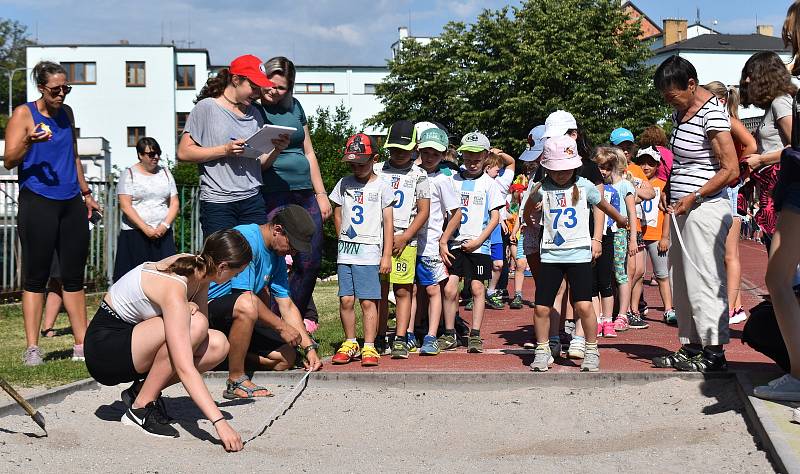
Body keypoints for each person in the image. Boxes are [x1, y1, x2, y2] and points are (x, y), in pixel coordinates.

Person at [84, 230, 251, 449]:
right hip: (105, 349)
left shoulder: (201, 270)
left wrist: (185, 310)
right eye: (235, 273)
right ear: (222, 267)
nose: (235, 278)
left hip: (132, 339)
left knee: (218, 345)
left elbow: (198, 337)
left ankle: (141, 392)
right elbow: (184, 366)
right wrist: (219, 422)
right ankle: (140, 409)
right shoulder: (175, 285)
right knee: (196, 325)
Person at [4, 61, 101, 365]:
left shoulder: (67, 114)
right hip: (38, 201)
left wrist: (86, 193)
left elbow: (72, 155)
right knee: (36, 276)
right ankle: (33, 347)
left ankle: (81, 344)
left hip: (70, 200)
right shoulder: (23, 114)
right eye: (56, 89)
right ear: (42, 88)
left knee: (73, 275)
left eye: (66, 89)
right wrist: (28, 141)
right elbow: (9, 160)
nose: (62, 94)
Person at [651, 55, 739, 372]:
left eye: (671, 94)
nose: (668, 101)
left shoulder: (712, 115)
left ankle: (714, 353)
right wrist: (667, 190)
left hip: (705, 207)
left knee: (704, 277)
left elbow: (730, 168)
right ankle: (691, 346)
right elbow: (683, 162)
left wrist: (695, 195)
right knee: (682, 280)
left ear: (691, 85)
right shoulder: (681, 113)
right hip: (682, 207)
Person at [524, 136, 628, 372]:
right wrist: (529, 217)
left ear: (575, 166)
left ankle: (591, 349)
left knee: (583, 306)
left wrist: (620, 219)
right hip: (551, 255)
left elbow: (602, 205)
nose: (561, 174)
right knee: (541, 307)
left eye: (566, 169)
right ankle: (542, 350)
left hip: (579, 255)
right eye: (556, 170)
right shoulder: (543, 187)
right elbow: (530, 204)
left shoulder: (584, 186)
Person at [207, 205, 319, 399]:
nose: (292, 252)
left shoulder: (277, 254)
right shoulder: (246, 240)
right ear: (277, 230)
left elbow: (287, 304)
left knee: (287, 358)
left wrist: (308, 347)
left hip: (240, 312)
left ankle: (222, 357)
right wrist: (281, 327)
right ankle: (236, 380)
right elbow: (245, 298)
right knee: (249, 304)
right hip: (210, 310)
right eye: (291, 245)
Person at [178, 54, 287, 238]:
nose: (256, 93)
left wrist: (277, 149)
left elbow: (260, 164)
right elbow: (183, 152)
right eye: (252, 87)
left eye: (258, 88)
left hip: (252, 200)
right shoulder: (207, 108)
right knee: (222, 263)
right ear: (236, 80)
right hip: (218, 204)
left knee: (254, 258)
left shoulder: (255, 113)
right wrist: (225, 150)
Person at [752, 0, 800, 406]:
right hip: (787, 186)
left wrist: (762, 159)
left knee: (781, 278)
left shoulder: (784, 101)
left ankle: (798, 374)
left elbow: (792, 143)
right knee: (781, 278)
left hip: (792, 184)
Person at [259, 57, 331, 328]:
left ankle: (293, 321)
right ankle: (270, 325)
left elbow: (309, 152)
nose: (274, 92)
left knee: (310, 260)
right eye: (271, 85)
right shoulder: (254, 109)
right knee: (270, 260)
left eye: (281, 88)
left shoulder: (296, 107)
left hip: (304, 193)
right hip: (271, 192)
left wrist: (321, 194)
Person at [329, 133, 394, 367]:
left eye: (362, 163)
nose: (357, 168)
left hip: (369, 252)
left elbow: (388, 222)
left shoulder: (382, 187)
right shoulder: (344, 183)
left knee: (368, 301)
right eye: (353, 164)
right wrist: (341, 235)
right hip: (346, 251)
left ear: (374, 159)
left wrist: (386, 254)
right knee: (346, 299)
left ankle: (369, 345)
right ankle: (350, 342)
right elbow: (337, 210)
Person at [440, 132, 505, 354]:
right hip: (456, 244)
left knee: (477, 287)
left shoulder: (490, 184)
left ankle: (475, 335)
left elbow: (495, 218)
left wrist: (479, 241)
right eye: (467, 158)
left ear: (486, 157)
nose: (472, 163)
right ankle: (449, 334)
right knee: (450, 288)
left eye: (477, 159)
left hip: (480, 246)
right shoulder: (453, 180)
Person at [372, 120, 431, 358]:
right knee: (379, 289)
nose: (399, 154)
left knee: (404, 290)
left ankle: (401, 337)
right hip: (378, 239)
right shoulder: (377, 170)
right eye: (394, 149)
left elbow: (424, 210)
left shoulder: (419, 174)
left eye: (404, 150)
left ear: (414, 148)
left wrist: (406, 236)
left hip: (405, 240)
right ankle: (378, 335)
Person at [704, 81, 758, 324]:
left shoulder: (729, 121)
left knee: (730, 253)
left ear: (720, 100)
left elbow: (752, 145)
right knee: (719, 253)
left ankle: (734, 307)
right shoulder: (714, 122)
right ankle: (730, 304)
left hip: (731, 189)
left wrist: (739, 173)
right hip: (721, 187)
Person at [739, 51, 796, 253]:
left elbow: (797, 147)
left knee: (781, 257)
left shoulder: (780, 102)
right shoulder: (774, 105)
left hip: (781, 186)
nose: (747, 80)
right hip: (774, 187)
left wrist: (761, 160)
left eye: (751, 74)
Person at [415, 127, 462, 355]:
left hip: (431, 243)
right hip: (408, 243)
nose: (430, 157)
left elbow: (456, 213)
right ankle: (409, 333)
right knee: (410, 290)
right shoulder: (412, 173)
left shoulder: (444, 179)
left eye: (435, 153)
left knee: (434, 289)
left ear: (443, 155)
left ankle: (432, 335)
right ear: (419, 150)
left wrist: (444, 239)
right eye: (426, 152)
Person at [113, 137, 179, 282]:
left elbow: (174, 203)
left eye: (158, 153)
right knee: (135, 278)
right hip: (136, 233)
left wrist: (164, 225)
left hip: (162, 233)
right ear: (140, 155)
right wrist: (145, 228)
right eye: (150, 154)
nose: (155, 157)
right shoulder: (129, 175)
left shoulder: (166, 173)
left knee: (166, 276)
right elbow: (125, 205)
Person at [609, 127, 655, 329]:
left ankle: (633, 310)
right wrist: (632, 195)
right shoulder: (608, 169)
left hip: (635, 224)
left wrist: (632, 191)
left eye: (628, 146)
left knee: (638, 270)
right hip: (618, 225)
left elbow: (650, 193)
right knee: (624, 270)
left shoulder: (635, 170)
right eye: (621, 147)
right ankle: (620, 309)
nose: (625, 150)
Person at [593, 147, 639, 337]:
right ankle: (603, 316)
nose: (603, 172)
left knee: (620, 272)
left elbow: (631, 213)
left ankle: (622, 313)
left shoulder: (624, 185)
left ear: (614, 167)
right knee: (602, 274)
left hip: (619, 234)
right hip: (602, 234)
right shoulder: (597, 186)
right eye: (600, 168)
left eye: (607, 168)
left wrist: (633, 238)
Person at [633, 147, 675, 325]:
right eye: (642, 162)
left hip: (657, 236)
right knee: (637, 274)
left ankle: (668, 309)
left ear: (658, 165)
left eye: (650, 163)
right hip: (639, 235)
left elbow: (667, 213)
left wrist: (665, 236)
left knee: (662, 274)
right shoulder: (634, 182)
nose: (645, 166)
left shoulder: (662, 185)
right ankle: (636, 308)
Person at [484, 148, 516, 310]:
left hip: (496, 227)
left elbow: (511, 163)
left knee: (498, 264)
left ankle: (490, 292)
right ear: (487, 167)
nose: (499, 169)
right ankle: (473, 294)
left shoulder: (501, 182)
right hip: (479, 228)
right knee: (479, 262)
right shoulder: (476, 180)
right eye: (496, 166)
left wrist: (499, 153)